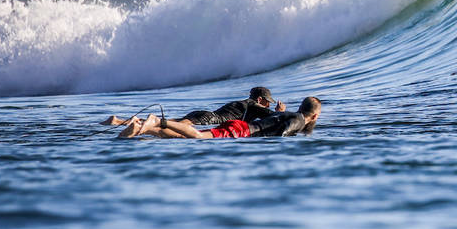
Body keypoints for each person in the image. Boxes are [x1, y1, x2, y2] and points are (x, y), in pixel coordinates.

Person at [118, 96, 321, 139]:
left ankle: (142, 128)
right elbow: (284, 132)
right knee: (197, 136)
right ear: (315, 115)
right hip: (241, 130)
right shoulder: (299, 120)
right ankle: (157, 121)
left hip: (241, 127)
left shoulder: (289, 114)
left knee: (184, 137)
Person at [103, 86, 283, 127]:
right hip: (209, 119)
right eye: (268, 102)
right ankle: (134, 123)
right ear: (260, 100)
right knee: (168, 125)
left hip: (204, 113)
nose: (268, 104)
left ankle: (121, 121)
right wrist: (279, 111)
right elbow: (274, 117)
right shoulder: (253, 105)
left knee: (168, 123)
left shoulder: (244, 103)